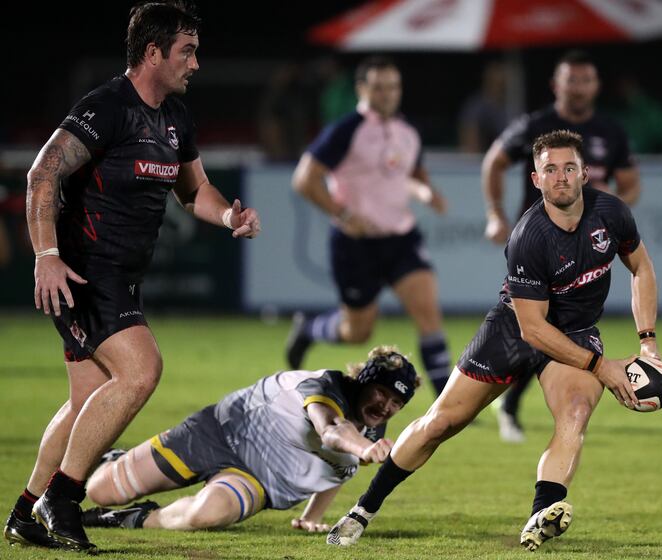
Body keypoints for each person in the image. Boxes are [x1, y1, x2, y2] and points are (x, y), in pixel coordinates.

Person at [326, 130, 662, 552]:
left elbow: (642, 269)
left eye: (569, 168)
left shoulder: (611, 213)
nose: (560, 177)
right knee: (440, 424)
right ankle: (364, 509)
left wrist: (647, 343)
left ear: (585, 173)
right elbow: (533, 330)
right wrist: (602, 367)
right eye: (550, 170)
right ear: (536, 179)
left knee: (575, 412)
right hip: (514, 332)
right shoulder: (529, 237)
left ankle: (542, 514)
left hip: (576, 332)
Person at [3, 2, 261, 552]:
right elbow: (41, 173)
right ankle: (63, 498)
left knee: (86, 404)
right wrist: (45, 254)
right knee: (142, 370)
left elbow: (195, 192)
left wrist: (228, 216)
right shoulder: (107, 107)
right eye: (187, 51)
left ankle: (26, 512)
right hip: (84, 274)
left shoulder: (175, 119)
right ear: (153, 53)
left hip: (121, 276)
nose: (196, 63)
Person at [79, 347, 418, 533]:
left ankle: (129, 519)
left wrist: (312, 516)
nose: (385, 407)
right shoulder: (324, 386)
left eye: (396, 403)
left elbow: (336, 468)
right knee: (101, 490)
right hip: (216, 433)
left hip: (257, 480)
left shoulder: (373, 429)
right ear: (363, 381)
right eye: (381, 393)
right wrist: (363, 447)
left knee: (207, 515)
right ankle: (113, 461)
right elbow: (331, 431)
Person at [482, 50, 641, 442]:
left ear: (596, 86)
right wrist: (495, 213)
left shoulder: (610, 130)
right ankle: (505, 399)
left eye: (586, 80)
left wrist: (607, 212)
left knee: (557, 327)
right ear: (557, 85)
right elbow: (494, 162)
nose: (579, 87)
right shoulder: (537, 126)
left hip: (586, 243)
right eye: (571, 80)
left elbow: (631, 183)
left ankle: (515, 403)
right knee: (536, 327)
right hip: (539, 246)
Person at [286, 56, 452, 396]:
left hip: (401, 238)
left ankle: (448, 405)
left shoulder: (408, 131)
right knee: (357, 331)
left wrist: (424, 191)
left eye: (393, 86)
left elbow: (410, 175)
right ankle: (309, 329)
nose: (388, 94)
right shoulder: (346, 130)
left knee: (429, 315)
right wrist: (344, 215)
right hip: (354, 243)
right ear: (362, 89)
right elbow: (304, 180)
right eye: (379, 87)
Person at [458, 60, 510, 153]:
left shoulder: (511, 106)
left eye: (502, 84)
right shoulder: (475, 107)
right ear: (487, 81)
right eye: (494, 83)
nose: (498, 88)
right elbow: (470, 146)